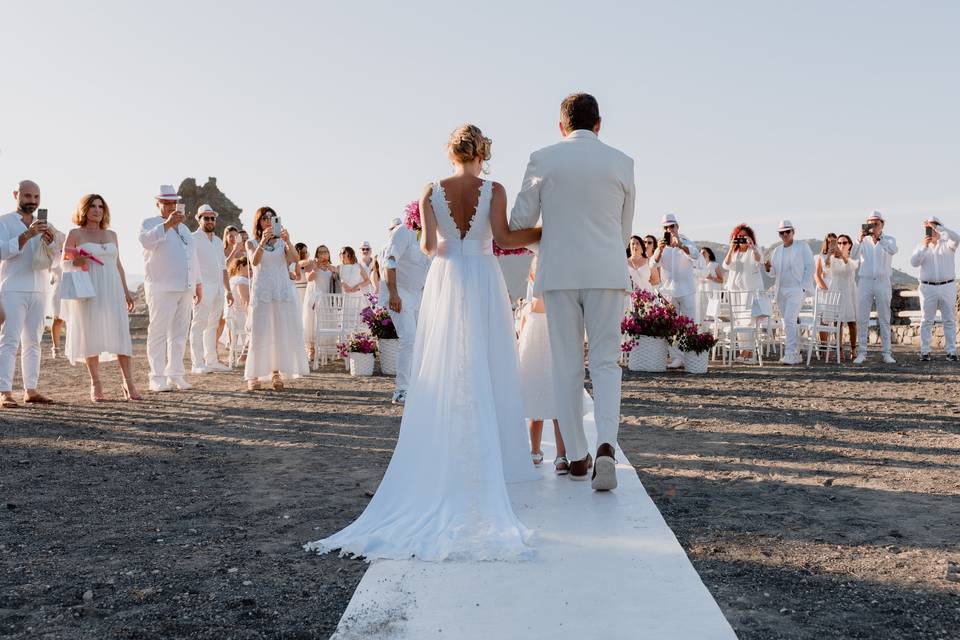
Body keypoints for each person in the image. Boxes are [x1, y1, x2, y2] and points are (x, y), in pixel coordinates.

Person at [306, 123, 540, 561]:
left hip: (448, 279)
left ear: (451, 151)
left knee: (448, 361)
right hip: (485, 279)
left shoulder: (431, 190)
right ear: (483, 152)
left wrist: (451, 242)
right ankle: (496, 456)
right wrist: (545, 233)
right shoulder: (495, 188)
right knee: (489, 359)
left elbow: (431, 247)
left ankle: (449, 450)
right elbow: (506, 240)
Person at [511, 93, 635, 491]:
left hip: (559, 274)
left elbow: (519, 222)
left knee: (565, 364)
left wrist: (553, 241)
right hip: (606, 271)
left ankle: (577, 457)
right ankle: (605, 449)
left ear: (561, 127)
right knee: (605, 363)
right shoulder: (622, 162)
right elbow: (623, 232)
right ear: (599, 124)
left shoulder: (543, 158)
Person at [61, 194, 140, 401]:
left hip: (112, 288)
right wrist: (77, 260)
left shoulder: (112, 234)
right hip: (89, 289)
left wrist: (126, 292)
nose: (97, 210)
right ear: (84, 209)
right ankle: (96, 384)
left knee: (121, 333)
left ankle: (128, 382)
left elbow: (119, 265)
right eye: (93, 206)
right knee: (90, 334)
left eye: (101, 207)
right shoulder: (75, 233)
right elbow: (64, 264)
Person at [0, 180, 58, 407]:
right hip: (12, 288)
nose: (32, 201)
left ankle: (31, 390)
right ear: (16, 194)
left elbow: (55, 256)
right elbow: (1, 251)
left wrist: (51, 243)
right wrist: (26, 236)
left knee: (34, 341)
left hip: (41, 288)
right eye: (27, 196)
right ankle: (4, 391)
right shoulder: (4, 222)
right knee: (9, 340)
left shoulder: (46, 224)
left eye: (36, 197)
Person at [138, 185, 201, 392]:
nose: (170, 206)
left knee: (179, 333)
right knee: (158, 332)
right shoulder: (150, 223)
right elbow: (145, 242)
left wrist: (197, 284)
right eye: (166, 203)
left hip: (185, 287)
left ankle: (175, 373)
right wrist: (166, 225)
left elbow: (193, 258)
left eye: (173, 202)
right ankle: (157, 377)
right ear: (158, 204)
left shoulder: (184, 229)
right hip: (160, 286)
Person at [243, 207, 308, 391]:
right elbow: (255, 262)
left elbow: (294, 260)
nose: (268, 221)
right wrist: (263, 241)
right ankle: (254, 375)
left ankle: (275, 372)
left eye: (272, 218)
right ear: (258, 221)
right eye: (264, 218)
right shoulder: (251, 242)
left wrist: (288, 241)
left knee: (278, 332)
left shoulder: (282, 243)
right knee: (259, 332)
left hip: (280, 291)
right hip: (262, 292)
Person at [518, 257, 568, 474]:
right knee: (558, 412)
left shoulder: (527, 309)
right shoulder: (560, 307)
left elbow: (520, 338)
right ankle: (561, 456)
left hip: (533, 365)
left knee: (536, 412)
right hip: (551, 363)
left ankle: (536, 453)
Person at [382, 213, 432, 404]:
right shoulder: (404, 232)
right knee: (409, 339)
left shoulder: (433, 236)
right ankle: (401, 390)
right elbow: (390, 260)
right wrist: (393, 293)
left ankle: (418, 386)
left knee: (421, 341)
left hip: (419, 295)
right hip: (399, 291)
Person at [653, 213, 702, 368]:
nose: (669, 229)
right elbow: (652, 265)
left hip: (686, 290)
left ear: (677, 226)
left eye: (671, 226)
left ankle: (691, 356)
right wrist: (660, 250)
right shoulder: (661, 245)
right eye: (666, 227)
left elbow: (695, 255)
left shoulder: (686, 240)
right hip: (669, 291)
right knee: (671, 325)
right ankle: (676, 358)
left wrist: (680, 245)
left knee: (689, 324)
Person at [764, 219, 815, 365]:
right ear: (779, 234)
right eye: (782, 232)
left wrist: (803, 287)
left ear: (793, 232)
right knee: (787, 322)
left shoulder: (802, 246)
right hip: (781, 290)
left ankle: (790, 353)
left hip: (796, 289)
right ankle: (796, 353)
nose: (785, 234)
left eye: (788, 231)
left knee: (790, 320)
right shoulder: (777, 250)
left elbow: (810, 267)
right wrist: (767, 268)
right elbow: (773, 273)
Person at [850, 211, 898, 364]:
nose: (873, 226)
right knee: (862, 318)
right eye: (870, 223)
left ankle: (887, 353)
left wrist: (879, 238)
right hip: (865, 281)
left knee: (884, 318)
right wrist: (859, 239)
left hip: (883, 281)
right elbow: (853, 257)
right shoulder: (862, 241)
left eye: (876, 223)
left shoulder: (889, 239)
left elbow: (893, 250)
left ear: (882, 224)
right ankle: (862, 352)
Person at [189, 205, 232, 374]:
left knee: (213, 325)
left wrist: (227, 290)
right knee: (198, 324)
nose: (209, 221)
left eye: (212, 218)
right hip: (202, 287)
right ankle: (197, 363)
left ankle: (211, 360)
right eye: (205, 218)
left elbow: (223, 268)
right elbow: (190, 265)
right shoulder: (193, 239)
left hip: (218, 289)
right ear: (199, 219)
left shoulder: (218, 241)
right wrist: (195, 287)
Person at [910, 216, 958, 361]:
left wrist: (942, 229)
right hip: (927, 287)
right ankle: (925, 351)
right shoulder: (920, 246)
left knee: (949, 320)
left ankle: (951, 352)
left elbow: (958, 238)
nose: (932, 230)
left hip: (947, 285)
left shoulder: (948, 244)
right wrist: (924, 247)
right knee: (926, 320)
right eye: (929, 227)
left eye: (934, 227)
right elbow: (914, 262)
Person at [723, 223, 764, 360]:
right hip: (735, 292)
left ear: (750, 237)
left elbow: (760, 260)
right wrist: (730, 248)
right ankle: (743, 352)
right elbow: (726, 264)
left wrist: (752, 246)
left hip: (749, 291)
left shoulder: (754, 250)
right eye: (739, 236)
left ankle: (749, 353)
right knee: (739, 322)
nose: (741, 239)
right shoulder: (733, 252)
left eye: (744, 236)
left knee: (748, 322)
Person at [824, 234, 859, 359]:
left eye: (844, 243)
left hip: (849, 290)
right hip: (836, 289)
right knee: (836, 322)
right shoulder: (833, 258)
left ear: (849, 245)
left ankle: (854, 349)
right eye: (839, 243)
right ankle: (840, 350)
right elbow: (826, 269)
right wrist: (830, 254)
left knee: (851, 321)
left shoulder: (853, 258)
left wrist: (843, 256)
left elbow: (850, 268)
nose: (841, 245)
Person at [302, 244, 338, 363]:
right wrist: (316, 267)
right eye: (321, 252)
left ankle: (326, 350)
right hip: (315, 298)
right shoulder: (312, 265)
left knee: (326, 323)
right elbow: (309, 279)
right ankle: (311, 349)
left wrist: (334, 273)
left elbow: (337, 282)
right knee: (312, 322)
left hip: (327, 299)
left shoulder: (332, 267)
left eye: (325, 252)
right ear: (317, 254)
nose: (323, 254)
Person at [337, 246, 371, 331]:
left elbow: (367, 280)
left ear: (350, 253)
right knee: (346, 321)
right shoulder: (339, 267)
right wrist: (343, 283)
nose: (342, 254)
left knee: (359, 322)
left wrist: (357, 287)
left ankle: (359, 341)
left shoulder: (358, 266)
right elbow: (335, 279)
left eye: (344, 252)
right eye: (341, 253)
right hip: (345, 297)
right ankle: (346, 342)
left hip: (357, 296)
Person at [225, 255, 251, 364]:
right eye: (249, 268)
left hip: (232, 317)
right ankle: (244, 356)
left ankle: (239, 356)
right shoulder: (241, 280)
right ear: (241, 266)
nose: (251, 271)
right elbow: (246, 301)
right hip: (241, 317)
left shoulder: (232, 280)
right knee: (260, 324)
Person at [696, 247, 723, 322]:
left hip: (713, 292)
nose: (702, 254)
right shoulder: (699, 266)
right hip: (702, 292)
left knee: (712, 312)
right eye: (700, 253)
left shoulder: (714, 265)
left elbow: (721, 280)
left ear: (709, 253)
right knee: (702, 312)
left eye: (704, 252)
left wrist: (711, 278)